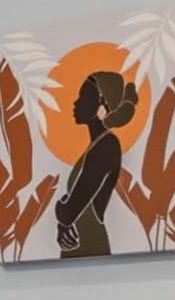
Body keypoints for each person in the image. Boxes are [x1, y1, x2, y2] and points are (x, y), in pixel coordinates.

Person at [52, 66, 138, 258]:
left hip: (89, 243)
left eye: (83, 97)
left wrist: (61, 211)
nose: (75, 103)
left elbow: (69, 210)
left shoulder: (105, 147)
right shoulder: (97, 146)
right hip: (79, 242)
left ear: (100, 104)